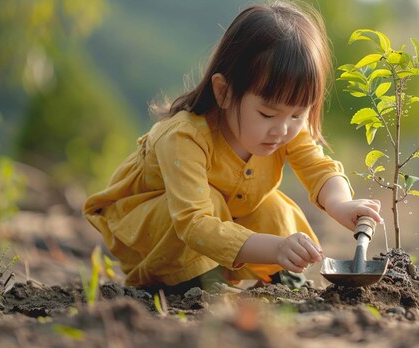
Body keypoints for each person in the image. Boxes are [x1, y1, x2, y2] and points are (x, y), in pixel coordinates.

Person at [83, 1, 383, 295]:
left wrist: (340, 205)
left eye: (298, 114)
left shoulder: (286, 129)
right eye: (267, 114)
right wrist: (276, 247)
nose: (282, 129)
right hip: (158, 233)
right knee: (210, 202)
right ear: (224, 93)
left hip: (224, 226)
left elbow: (318, 167)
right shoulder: (184, 137)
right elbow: (193, 224)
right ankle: (192, 281)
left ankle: (280, 275)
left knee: (274, 208)